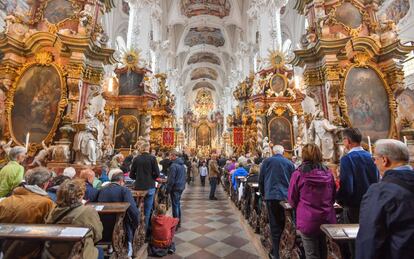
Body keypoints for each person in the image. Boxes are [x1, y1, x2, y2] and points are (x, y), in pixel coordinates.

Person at [356, 139, 414, 259]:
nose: (374, 163)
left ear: (384, 160)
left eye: (375, 159)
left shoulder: (379, 192)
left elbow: (369, 240)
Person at [288, 144, 336, 259]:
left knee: (311, 254)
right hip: (326, 218)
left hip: (308, 218)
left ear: (303, 155)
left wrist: (299, 207)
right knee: (323, 250)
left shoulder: (298, 174)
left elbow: (292, 198)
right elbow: (333, 196)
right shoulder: (328, 173)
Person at [0, 167, 55, 259]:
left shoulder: (6, 201)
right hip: (31, 253)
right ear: (45, 184)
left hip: (5, 252)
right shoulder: (47, 203)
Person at [43, 179, 103, 259]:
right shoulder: (87, 211)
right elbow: (98, 235)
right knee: (99, 251)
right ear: (80, 195)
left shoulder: (53, 210)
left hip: (53, 252)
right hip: (77, 253)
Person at [336, 128, 379, 224]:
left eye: (343, 140)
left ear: (347, 141)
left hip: (354, 206)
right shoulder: (371, 157)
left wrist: (340, 200)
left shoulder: (347, 159)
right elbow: (377, 180)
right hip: (372, 203)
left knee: (353, 236)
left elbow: (347, 187)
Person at [259, 145, 295, 259]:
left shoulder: (266, 162)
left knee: (274, 225)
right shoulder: (289, 163)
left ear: (273, 152)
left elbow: (261, 179)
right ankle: (286, 251)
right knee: (286, 224)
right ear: (283, 152)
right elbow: (293, 181)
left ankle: (276, 253)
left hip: (271, 196)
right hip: (285, 197)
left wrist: (263, 193)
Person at [97, 168, 139, 256]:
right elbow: (132, 209)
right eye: (123, 182)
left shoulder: (102, 189)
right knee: (127, 219)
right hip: (119, 225)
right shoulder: (124, 190)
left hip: (102, 224)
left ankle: (111, 247)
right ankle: (129, 247)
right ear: (121, 181)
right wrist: (136, 222)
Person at [130, 142, 160, 233]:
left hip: (138, 187)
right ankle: (144, 232)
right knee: (147, 210)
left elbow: (131, 175)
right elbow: (157, 173)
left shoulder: (136, 159)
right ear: (148, 149)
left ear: (141, 149)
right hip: (150, 186)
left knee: (137, 208)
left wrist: (138, 178)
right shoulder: (152, 158)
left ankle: (135, 229)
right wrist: (152, 178)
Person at [166, 151, 186, 228]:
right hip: (180, 186)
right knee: (177, 204)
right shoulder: (182, 165)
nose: (169, 158)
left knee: (175, 205)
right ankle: (178, 221)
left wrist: (168, 189)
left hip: (175, 187)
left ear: (174, 156)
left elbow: (171, 180)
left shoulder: (173, 166)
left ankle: (175, 223)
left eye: (170, 156)